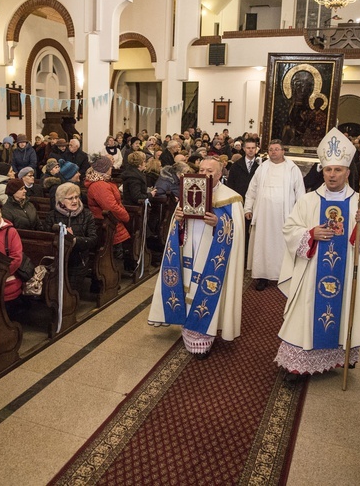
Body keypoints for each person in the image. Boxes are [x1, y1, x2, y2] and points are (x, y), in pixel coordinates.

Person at [275, 128, 360, 378]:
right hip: (312, 271)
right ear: (321, 171)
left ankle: (341, 355)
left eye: (337, 170)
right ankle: (299, 362)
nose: (332, 175)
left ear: (347, 172)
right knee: (306, 312)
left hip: (345, 273)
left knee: (344, 310)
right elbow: (290, 229)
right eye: (328, 170)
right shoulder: (308, 200)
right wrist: (310, 234)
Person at [147, 156, 245, 359]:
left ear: (219, 174)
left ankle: (204, 336)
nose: (204, 174)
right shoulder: (188, 190)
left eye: (210, 171)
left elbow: (236, 232)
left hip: (212, 256)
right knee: (186, 288)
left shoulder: (231, 198)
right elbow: (177, 228)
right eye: (201, 169)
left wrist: (218, 222)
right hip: (189, 251)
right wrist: (179, 219)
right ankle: (188, 330)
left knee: (205, 291)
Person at [244, 139, 305, 291]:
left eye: (277, 149)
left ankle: (282, 276)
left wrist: (301, 213)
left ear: (283, 151)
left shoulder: (292, 169)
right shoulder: (262, 168)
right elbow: (252, 189)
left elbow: (300, 192)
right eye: (271, 149)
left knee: (281, 245)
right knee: (263, 244)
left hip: (285, 215)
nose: (273, 152)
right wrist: (248, 209)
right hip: (263, 215)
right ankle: (263, 277)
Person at [44, 182, 97, 290]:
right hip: (57, 260)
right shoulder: (52, 215)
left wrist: (74, 240)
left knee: (70, 290)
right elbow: (46, 238)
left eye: (76, 197)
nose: (75, 201)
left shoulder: (86, 215)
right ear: (61, 201)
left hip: (78, 260)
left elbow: (93, 239)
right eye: (70, 198)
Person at [84, 157, 132, 271]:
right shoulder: (100, 185)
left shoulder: (102, 182)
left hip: (111, 222)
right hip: (108, 224)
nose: (112, 168)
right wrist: (125, 215)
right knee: (112, 255)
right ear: (105, 169)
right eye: (110, 166)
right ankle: (111, 280)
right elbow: (111, 207)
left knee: (115, 254)